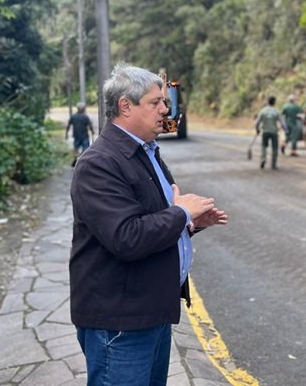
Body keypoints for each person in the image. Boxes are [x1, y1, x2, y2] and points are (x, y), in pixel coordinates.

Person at [69, 64, 228, 386]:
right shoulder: (99, 163)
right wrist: (182, 213)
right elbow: (126, 237)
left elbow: (150, 218)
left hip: (150, 310)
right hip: (119, 322)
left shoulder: (145, 152)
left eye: (165, 101)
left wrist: (188, 224)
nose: (165, 109)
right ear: (125, 106)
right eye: (155, 102)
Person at [255, 95, 286, 169]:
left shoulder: (263, 110)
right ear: (274, 102)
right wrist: (285, 129)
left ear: (267, 102)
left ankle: (263, 159)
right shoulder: (276, 111)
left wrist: (257, 129)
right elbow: (282, 122)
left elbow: (257, 122)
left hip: (265, 131)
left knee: (264, 147)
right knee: (275, 148)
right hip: (274, 132)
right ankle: (273, 164)